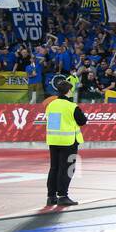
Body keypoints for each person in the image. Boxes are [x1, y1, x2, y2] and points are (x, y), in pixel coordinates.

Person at [44, 77, 87, 207]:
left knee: (54, 168)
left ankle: (51, 197)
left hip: (53, 140)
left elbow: (52, 121)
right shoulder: (71, 106)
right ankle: (63, 196)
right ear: (69, 91)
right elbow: (82, 121)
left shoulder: (51, 104)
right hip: (68, 141)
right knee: (67, 169)